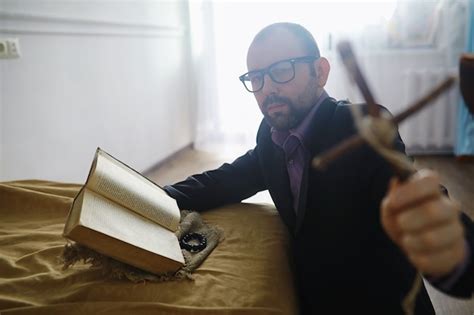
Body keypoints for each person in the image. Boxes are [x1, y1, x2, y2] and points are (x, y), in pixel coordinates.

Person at [164, 22, 474, 314]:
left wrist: (447, 244)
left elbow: (418, 200)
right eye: (256, 77)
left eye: (282, 71)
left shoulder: (361, 130)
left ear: (320, 72)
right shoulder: (271, 135)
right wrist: (157, 197)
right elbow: (230, 178)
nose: (267, 88)